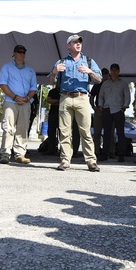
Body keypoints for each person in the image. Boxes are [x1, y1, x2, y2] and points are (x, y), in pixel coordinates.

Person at [49, 35, 101, 171]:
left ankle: (91, 161)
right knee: (64, 132)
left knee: (85, 131)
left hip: (82, 97)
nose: (78, 44)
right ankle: (65, 160)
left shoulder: (88, 61)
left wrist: (89, 71)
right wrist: (54, 72)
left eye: (80, 42)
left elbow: (99, 79)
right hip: (65, 97)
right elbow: (50, 81)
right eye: (75, 42)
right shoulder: (62, 61)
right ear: (68, 45)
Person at [0, 44, 37, 164]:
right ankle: (5, 154)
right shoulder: (6, 67)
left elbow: (34, 88)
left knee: (23, 128)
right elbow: (2, 84)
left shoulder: (30, 70)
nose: (21, 54)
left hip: (25, 102)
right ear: (13, 53)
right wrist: (14, 97)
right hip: (10, 101)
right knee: (8, 128)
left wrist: (27, 97)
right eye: (19, 51)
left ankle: (20, 154)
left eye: (23, 52)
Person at [97, 63, 130, 162]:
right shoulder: (105, 83)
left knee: (120, 133)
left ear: (118, 71)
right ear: (110, 71)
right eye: (112, 70)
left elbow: (127, 96)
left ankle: (121, 154)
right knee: (107, 133)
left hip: (118, 109)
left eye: (116, 70)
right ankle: (105, 153)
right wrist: (101, 106)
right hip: (107, 109)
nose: (114, 72)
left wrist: (124, 107)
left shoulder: (123, 84)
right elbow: (100, 96)